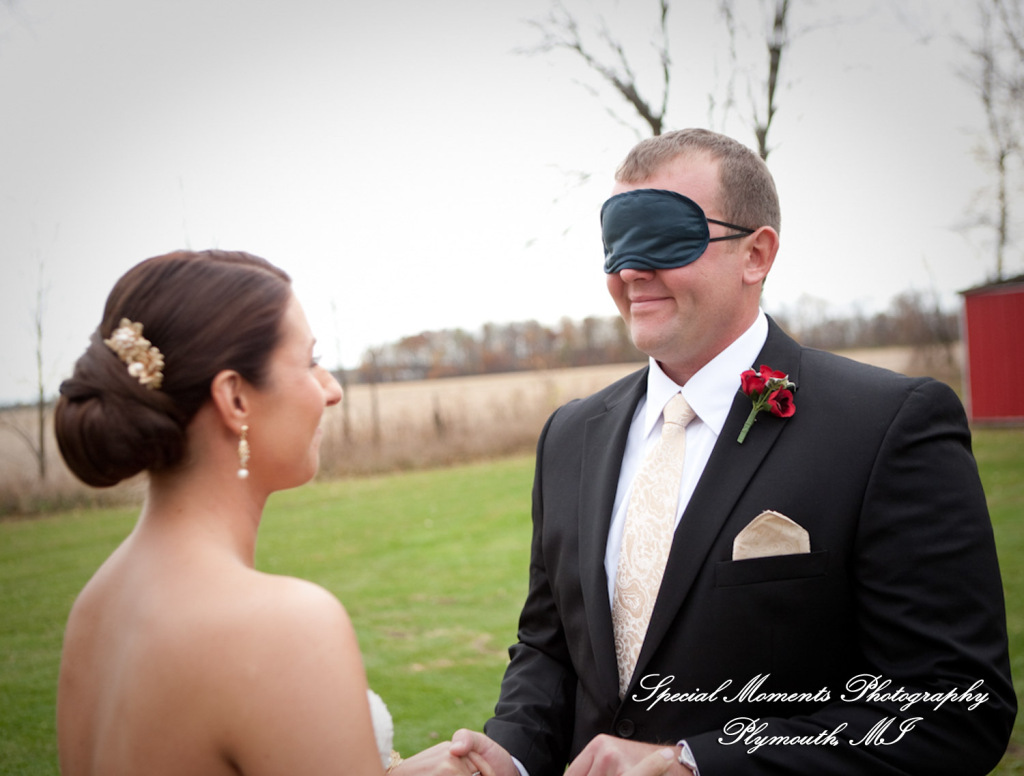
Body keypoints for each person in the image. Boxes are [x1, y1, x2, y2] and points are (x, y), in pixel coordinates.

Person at [453, 129, 1016, 775]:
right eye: (616, 244)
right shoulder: (571, 436)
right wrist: (508, 757)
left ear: (757, 254)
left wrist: (695, 765)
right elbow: (550, 651)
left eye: (664, 237)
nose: (631, 269)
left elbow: (952, 709)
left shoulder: (886, 427)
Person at [53, 249, 498, 776]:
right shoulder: (284, 626)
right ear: (235, 400)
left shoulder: (94, 607)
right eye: (309, 361)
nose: (331, 390)